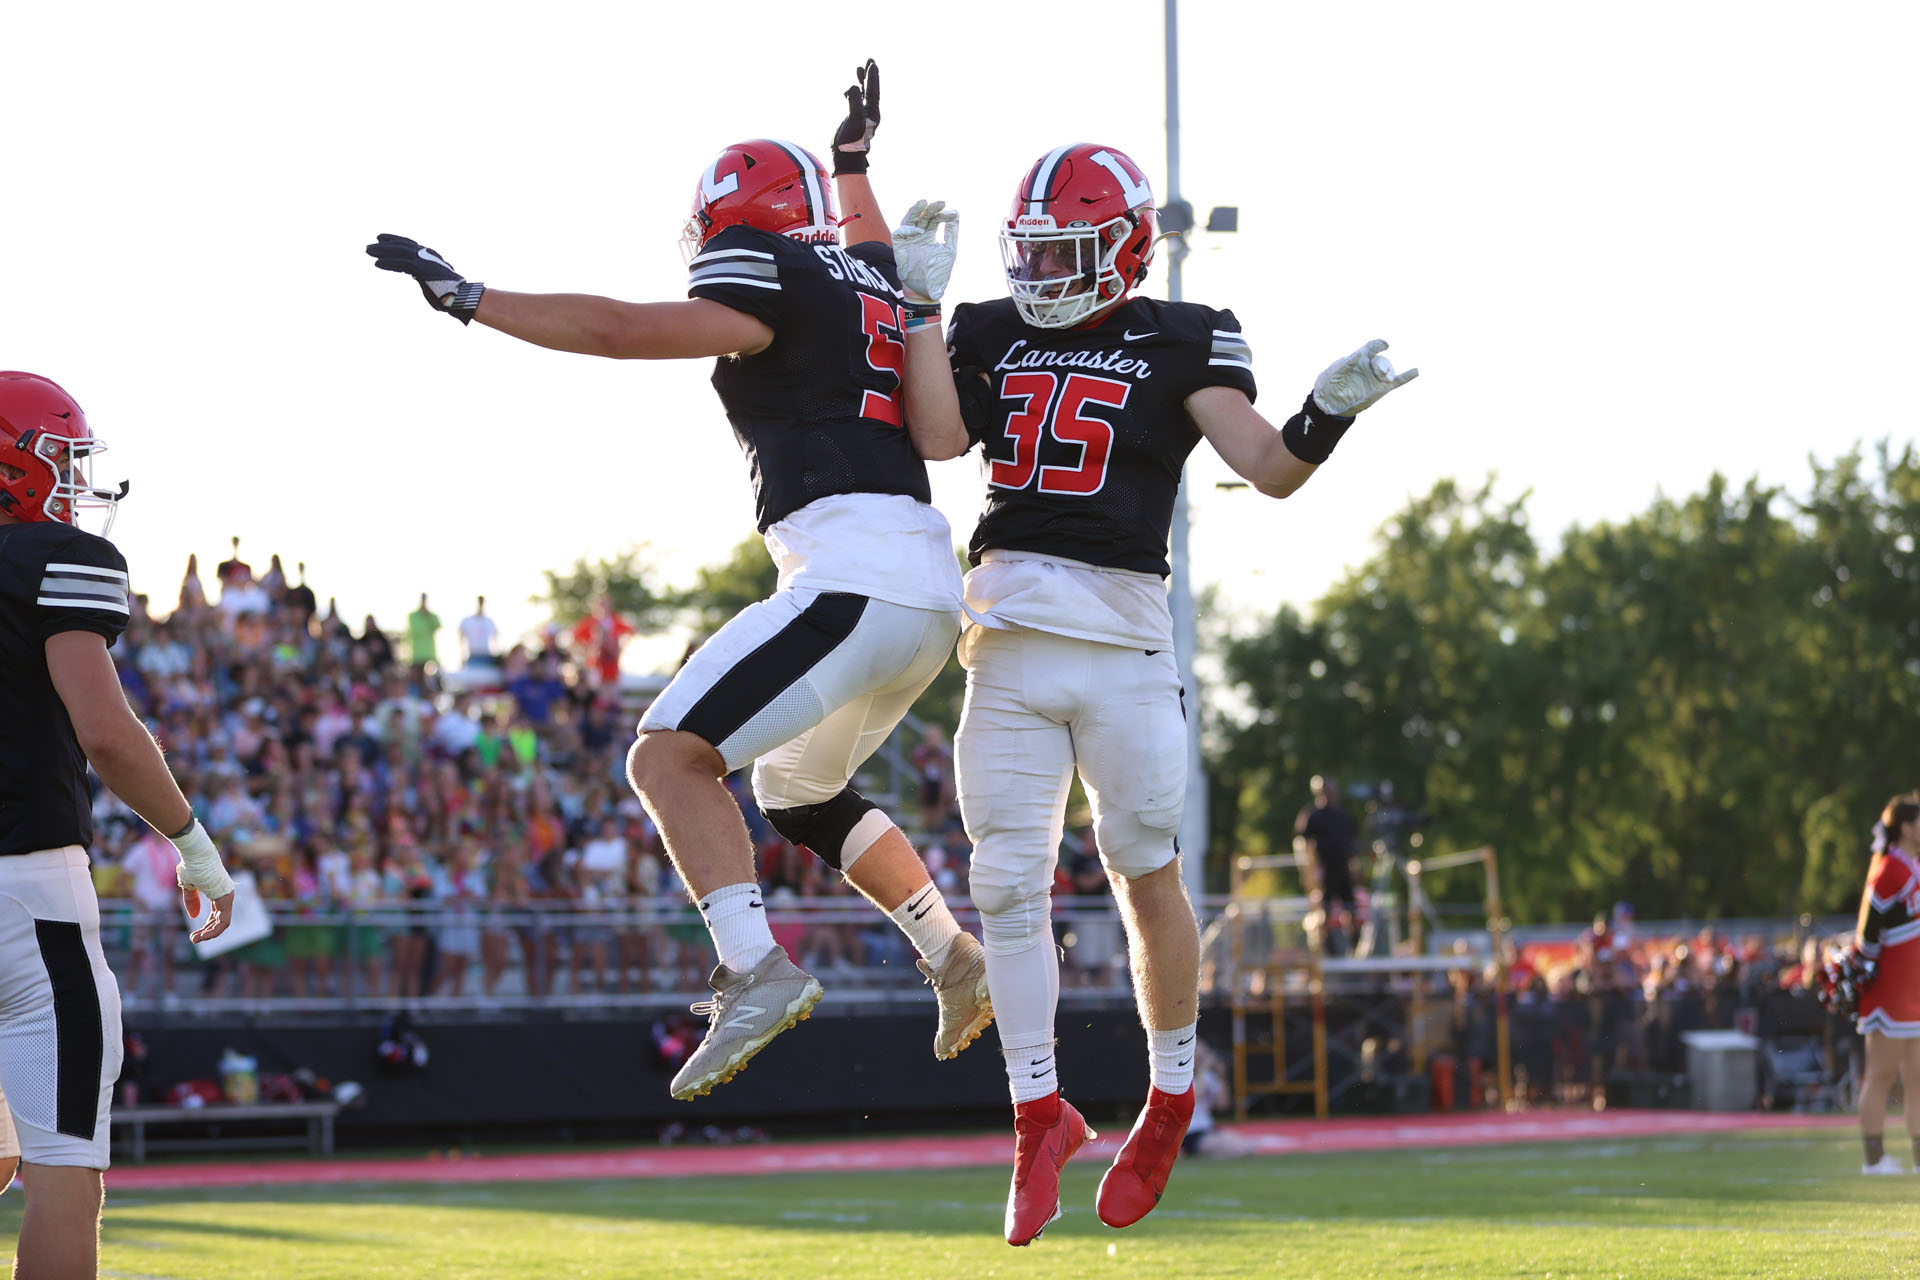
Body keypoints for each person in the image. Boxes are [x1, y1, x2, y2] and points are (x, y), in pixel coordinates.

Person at [367, 60, 992, 1101]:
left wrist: (472, 298)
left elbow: (622, 330)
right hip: (926, 588)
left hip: (852, 573)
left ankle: (755, 969)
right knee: (798, 787)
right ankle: (952, 953)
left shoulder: (767, 270)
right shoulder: (874, 277)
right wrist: (853, 167)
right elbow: (872, 244)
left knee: (666, 757)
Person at [925, 145, 1419, 1243]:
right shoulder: (990, 329)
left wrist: (1326, 415)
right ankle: (1035, 1111)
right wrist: (916, 305)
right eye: (1035, 248)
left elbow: (1273, 469)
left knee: (1145, 870)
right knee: (1005, 883)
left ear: (1128, 247)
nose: (1046, 269)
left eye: (1069, 248)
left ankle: (1170, 1091)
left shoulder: (1184, 333)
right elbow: (935, 436)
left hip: (1124, 643)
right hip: (1003, 636)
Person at [0, 371, 236, 1277]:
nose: (72, 478)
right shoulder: (54, 559)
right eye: (59, 457)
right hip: (28, 895)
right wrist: (193, 843)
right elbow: (107, 731)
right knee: (65, 1172)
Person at [1852, 793, 1920, 1174]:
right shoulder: (1888, 870)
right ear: (1907, 827)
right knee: (1880, 1077)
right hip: (1890, 994)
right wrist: (1866, 974)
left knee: (1918, 1080)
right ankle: (1874, 1161)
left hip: (1916, 992)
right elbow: (1868, 933)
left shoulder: (1913, 867)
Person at [1295, 774, 1358, 952]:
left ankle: (1354, 947)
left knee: (1350, 907)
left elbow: (1350, 845)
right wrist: (1309, 873)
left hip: (1342, 869)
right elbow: (1303, 844)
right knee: (1325, 909)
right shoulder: (1313, 815)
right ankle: (1326, 947)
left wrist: (1355, 867)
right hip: (1325, 870)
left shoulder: (1342, 815)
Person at [459, 594, 499, 669]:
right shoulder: (468, 621)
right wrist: (462, 657)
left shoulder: (489, 622)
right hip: (473, 656)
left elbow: (496, 640)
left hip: (487, 656)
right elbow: (461, 640)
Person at [406, 592, 441, 673]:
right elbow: (416, 629)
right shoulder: (412, 616)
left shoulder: (432, 616)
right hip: (416, 655)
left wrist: (428, 615)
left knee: (432, 682)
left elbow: (437, 626)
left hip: (430, 655)